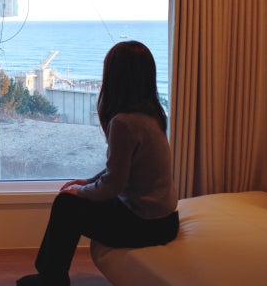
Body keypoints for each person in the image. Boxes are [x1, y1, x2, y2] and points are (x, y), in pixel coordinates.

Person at [16, 40, 179, 286]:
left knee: (65, 205)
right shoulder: (153, 114)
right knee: (71, 200)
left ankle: (52, 278)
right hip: (166, 221)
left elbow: (113, 186)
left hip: (146, 225)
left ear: (115, 77)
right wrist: (88, 182)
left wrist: (80, 192)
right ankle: (51, 275)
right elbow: (122, 170)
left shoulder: (124, 123)